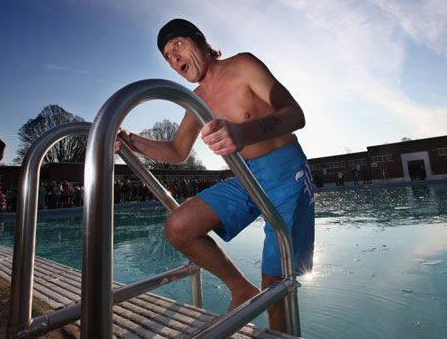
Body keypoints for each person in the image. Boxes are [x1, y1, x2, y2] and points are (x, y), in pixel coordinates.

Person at [115, 19, 315, 332]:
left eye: (177, 45)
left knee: (276, 283)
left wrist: (244, 131)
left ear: (201, 42)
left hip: (287, 171)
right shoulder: (196, 99)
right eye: (167, 56)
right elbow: (178, 151)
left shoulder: (243, 65)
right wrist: (130, 140)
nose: (174, 58)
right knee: (179, 227)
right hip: (246, 176)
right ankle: (241, 289)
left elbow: (295, 114)